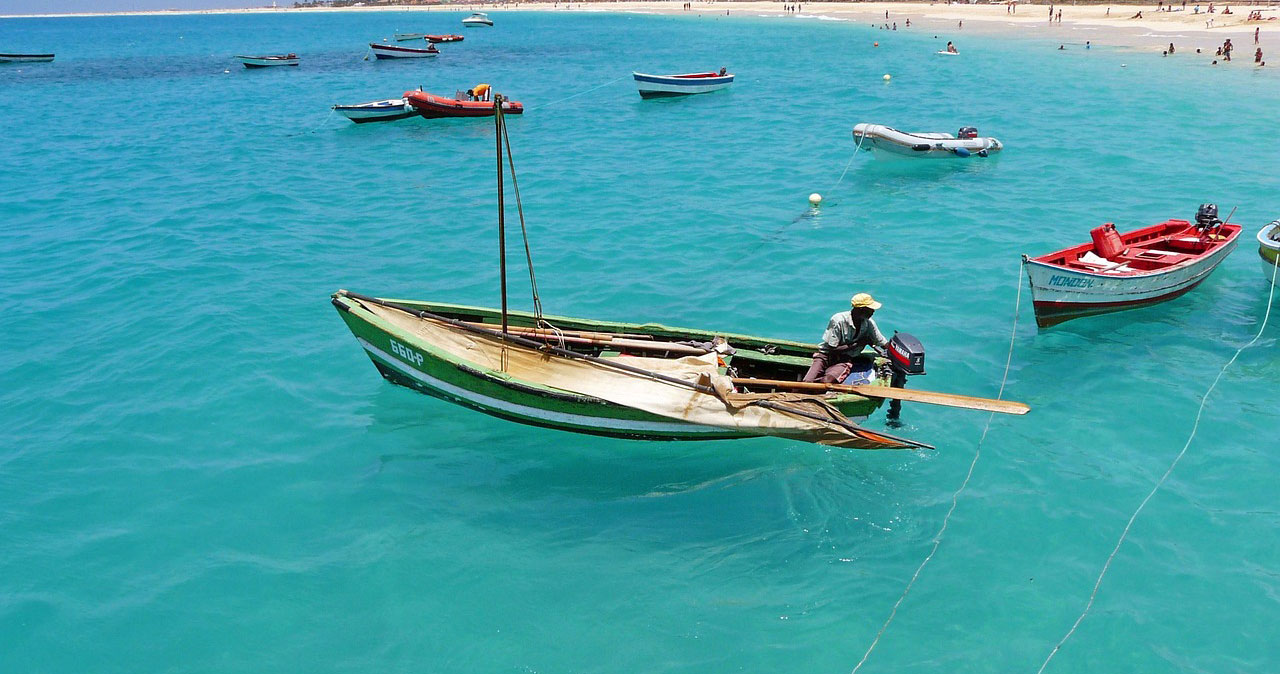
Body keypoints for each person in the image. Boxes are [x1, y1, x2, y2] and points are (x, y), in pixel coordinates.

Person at [802, 293, 890, 385]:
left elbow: (882, 342)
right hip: (825, 356)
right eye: (870, 309)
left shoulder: (869, 323)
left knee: (826, 381)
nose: (873, 312)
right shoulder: (838, 320)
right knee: (807, 382)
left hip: (843, 360)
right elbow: (832, 349)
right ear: (861, 309)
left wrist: (894, 351)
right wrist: (858, 344)